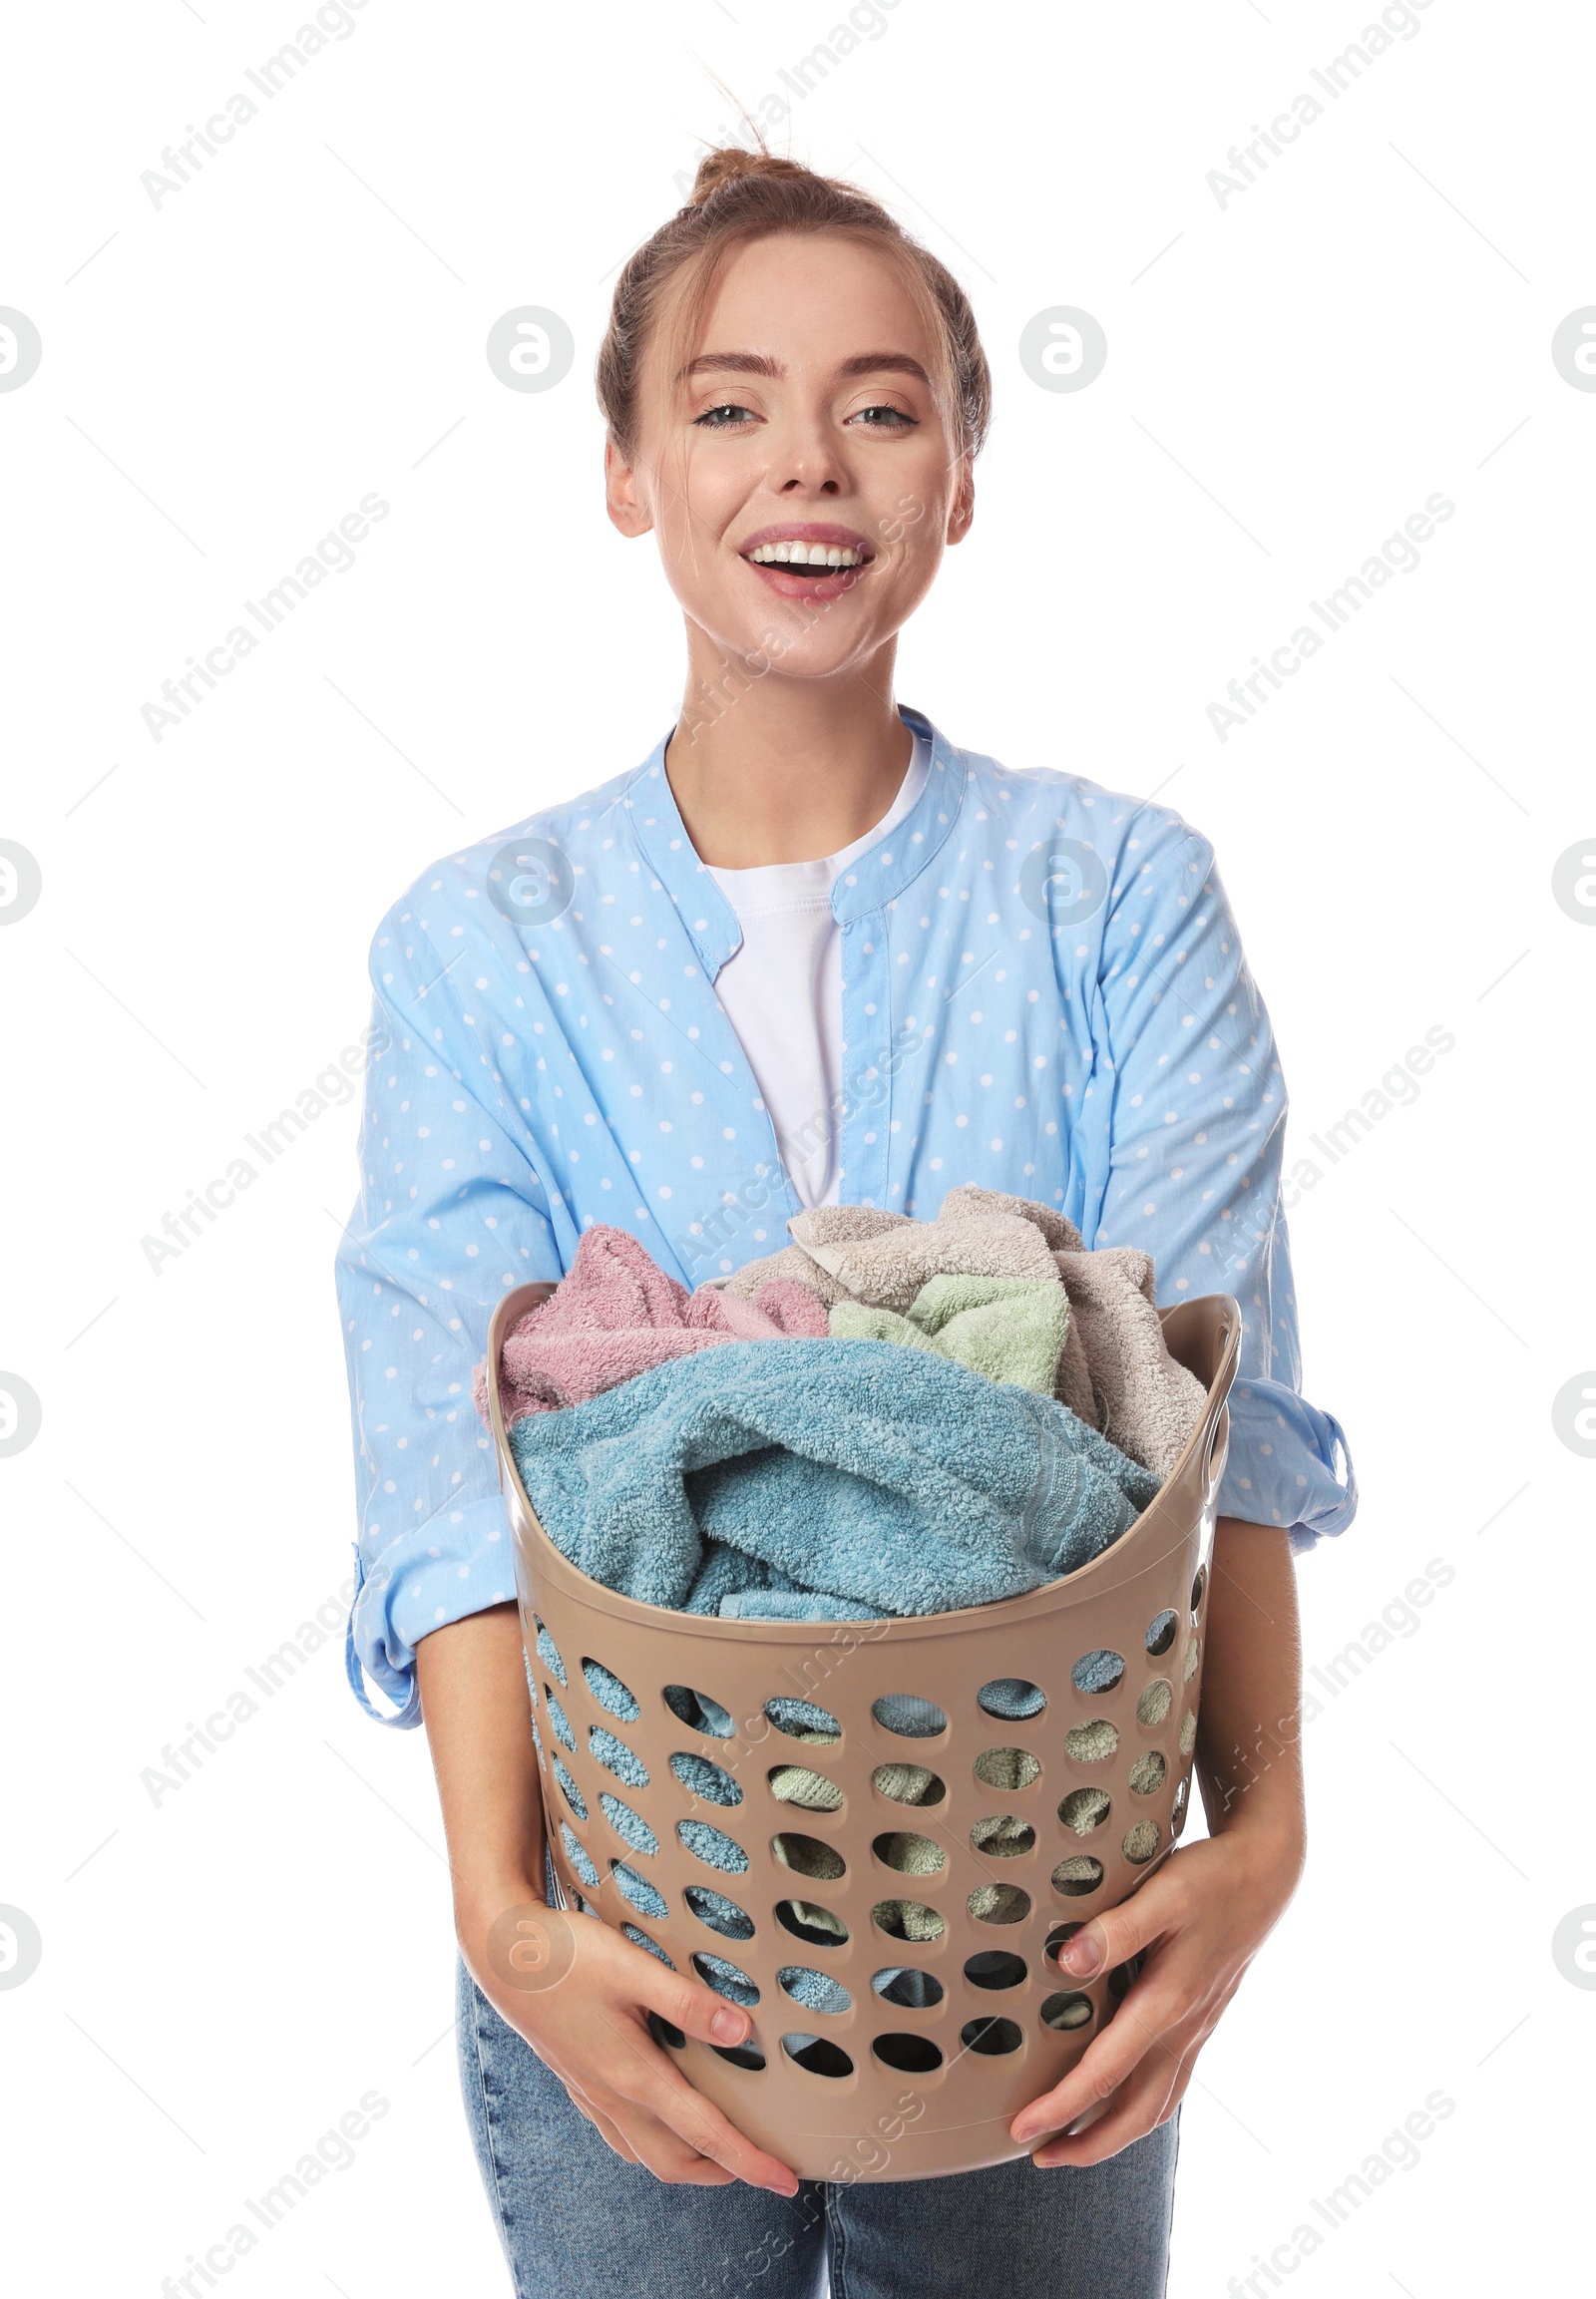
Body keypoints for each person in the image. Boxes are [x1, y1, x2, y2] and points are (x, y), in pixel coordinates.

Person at [334, 145, 1356, 2298]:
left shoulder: (1114, 897)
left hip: (1038, 1923)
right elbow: (440, 1457)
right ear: (622, 468)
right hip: (630, 1938)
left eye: (881, 406)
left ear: (959, 479)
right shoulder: (478, 944)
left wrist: (1255, 1832)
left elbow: (1206, 1405)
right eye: (724, 404)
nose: (806, 461)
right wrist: (505, 1918)